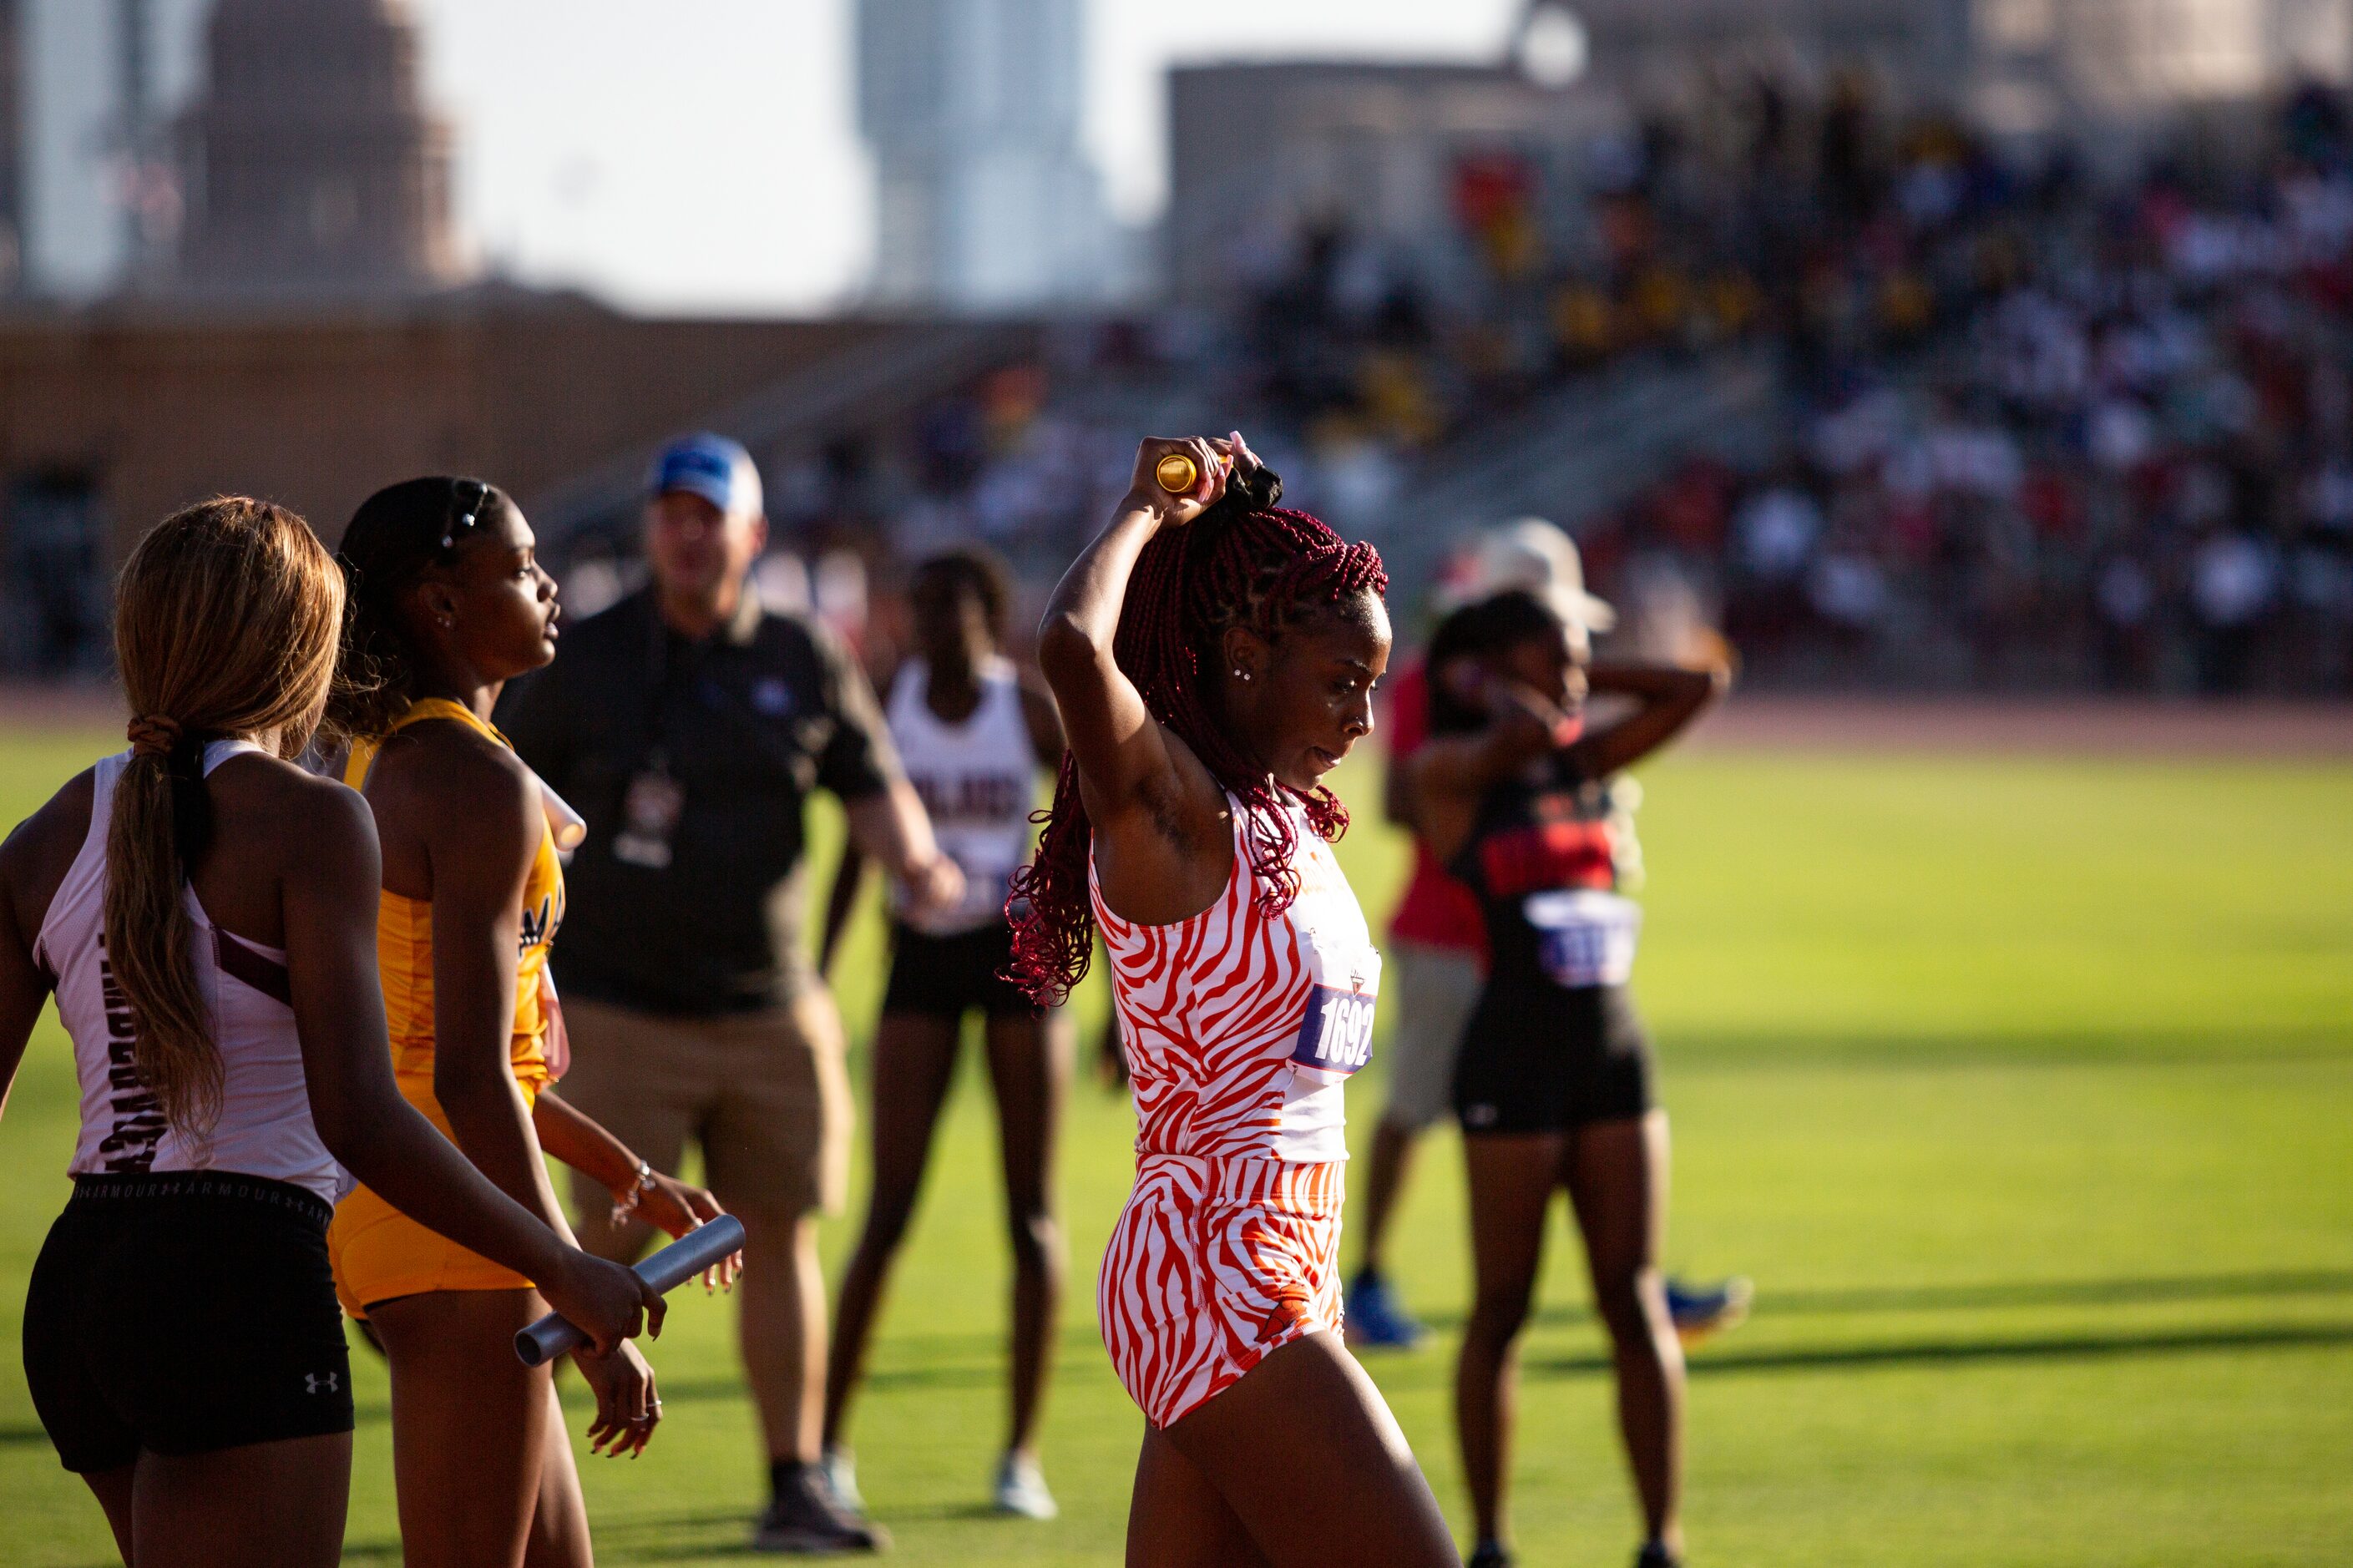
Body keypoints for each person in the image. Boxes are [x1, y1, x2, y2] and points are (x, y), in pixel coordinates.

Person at [0, 498, 659, 1568]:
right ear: (299, 643)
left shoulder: (53, 828)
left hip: (79, 1289)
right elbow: (360, 1114)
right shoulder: (311, 819)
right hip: (237, 1274)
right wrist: (560, 1262)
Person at [499, 432, 963, 1554]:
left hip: (768, 1005)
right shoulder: (590, 653)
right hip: (613, 1008)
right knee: (579, 1258)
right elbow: (498, 784)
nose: (689, 531)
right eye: (671, 512)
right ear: (652, 527)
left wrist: (919, 865)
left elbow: (870, 781)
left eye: (711, 514)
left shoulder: (803, 653)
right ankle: (520, 1490)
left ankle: (795, 1477)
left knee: (778, 1238)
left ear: (752, 534)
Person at [1013, 433, 1458, 1567]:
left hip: (1281, 1263)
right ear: (1248, 654)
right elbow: (1070, 645)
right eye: (1341, 682)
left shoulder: (1281, 813)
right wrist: (1140, 511)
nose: (1362, 720)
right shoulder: (1175, 810)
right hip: (1218, 1262)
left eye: (1373, 686)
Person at [327, 477, 740, 1568]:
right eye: (517, 567)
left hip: (437, 1208)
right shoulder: (467, 779)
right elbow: (465, 1077)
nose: (549, 584)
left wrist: (628, 1172)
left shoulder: (413, 753)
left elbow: (474, 1053)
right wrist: (567, 1269)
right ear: (440, 604)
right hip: (462, 1231)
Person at [1349, 519, 1751, 1350]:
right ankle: (1367, 1278)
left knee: (1583, 1114)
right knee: (1415, 1107)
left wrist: (1558, 669)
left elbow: (1673, 696)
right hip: (1452, 929)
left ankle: (1634, 1276)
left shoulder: (1544, 678)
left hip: (1552, 942)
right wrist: (1489, 747)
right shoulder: (1434, 682)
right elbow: (1397, 803)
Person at [1407, 588, 1727, 1568]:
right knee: (1501, 1307)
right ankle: (1493, 1541)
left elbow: (1696, 685)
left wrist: (1579, 669)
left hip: (1613, 1050)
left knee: (1631, 1299)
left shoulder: (1584, 760)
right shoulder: (1450, 775)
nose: (1580, 658)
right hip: (1511, 1054)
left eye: (1584, 646)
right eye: (1560, 644)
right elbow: (1487, 749)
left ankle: (1660, 1542)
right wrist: (1505, 690)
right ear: (1499, 663)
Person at [817, 546, 1071, 1520]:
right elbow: (859, 833)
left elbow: (1086, 823)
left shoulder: (1029, 708)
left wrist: (1090, 950)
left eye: (952, 612)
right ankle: (827, 1447)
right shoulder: (895, 701)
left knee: (1031, 1215)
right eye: (919, 611)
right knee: (887, 1209)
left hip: (1017, 959)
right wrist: (824, 969)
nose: (931, 628)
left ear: (989, 619)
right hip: (919, 955)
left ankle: (1020, 1457)